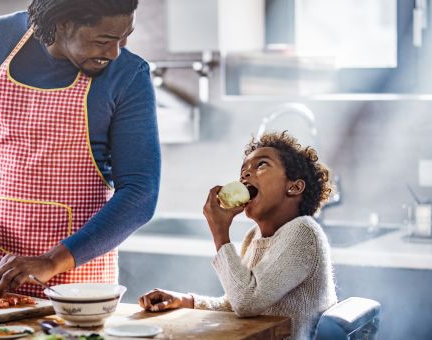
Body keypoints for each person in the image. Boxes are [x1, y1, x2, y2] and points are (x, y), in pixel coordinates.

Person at [0, 0, 160, 298]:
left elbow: (140, 192)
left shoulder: (129, 75)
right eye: (103, 41)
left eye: (124, 37)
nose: (114, 52)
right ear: (62, 23)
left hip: (78, 287)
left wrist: (49, 262)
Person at [139, 131, 337, 340]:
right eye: (243, 170)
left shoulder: (303, 232)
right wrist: (186, 301)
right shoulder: (254, 236)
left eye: (261, 165)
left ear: (294, 187)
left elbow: (247, 302)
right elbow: (234, 303)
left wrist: (220, 233)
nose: (245, 175)